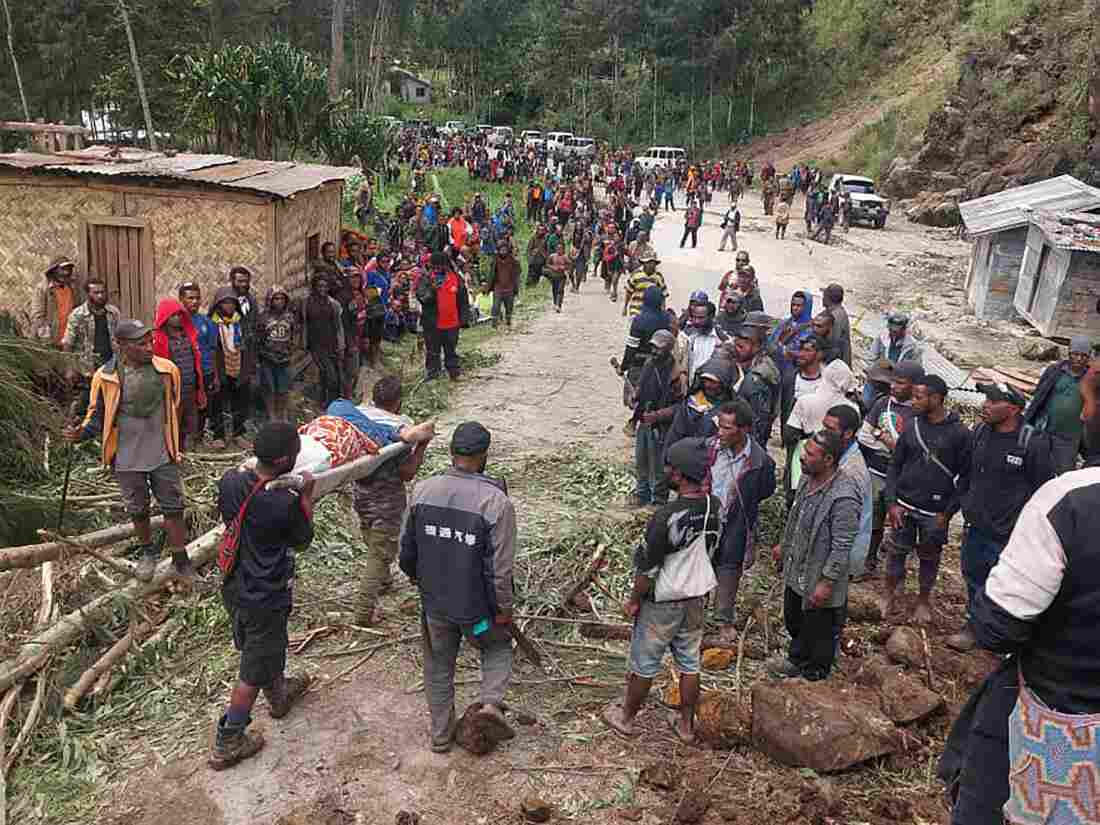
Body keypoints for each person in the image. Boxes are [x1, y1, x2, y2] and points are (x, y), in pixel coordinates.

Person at [938, 462, 1100, 825]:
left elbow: (998, 627)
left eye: (1088, 403)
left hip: (1050, 712)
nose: (1081, 415)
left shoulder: (1070, 499)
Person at [399, 422, 517, 753]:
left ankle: (440, 736)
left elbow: (406, 551)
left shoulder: (422, 490)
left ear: (451, 453)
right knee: (496, 647)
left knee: (438, 664)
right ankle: (491, 705)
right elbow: (499, 569)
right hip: (477, 613)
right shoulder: (496, 502)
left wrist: (419, 581)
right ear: (483, 456)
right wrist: (504, 610)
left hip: (436, 606)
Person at [209, 422, 316, 770]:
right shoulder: (283, 503)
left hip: (235, 587)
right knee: (251, 669)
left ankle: (279, 693)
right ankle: (229, 739)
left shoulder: (230, 481)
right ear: (286, 459)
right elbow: (302, 540)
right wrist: (306, 498)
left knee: (264, 648)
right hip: (265, 595)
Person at [602, 437, 720, 744]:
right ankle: (685, 726)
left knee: (645, 663)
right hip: (696, 599)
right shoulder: (713, 506)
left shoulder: (666, 517)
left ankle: (626, 718)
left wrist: (633, 600)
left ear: (679, 474)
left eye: (669, 467)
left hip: (663, 602)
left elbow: (647, 570)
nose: (665, 471)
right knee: (689, 663)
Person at [65, 319, 191, 582]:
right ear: (121, 345)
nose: (149, 348)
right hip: (126, 454)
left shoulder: (167, 370)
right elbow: (97, 416)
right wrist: (79, 434)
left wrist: (177, 444)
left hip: (161, 449)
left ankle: (181, 559)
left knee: (173, 504)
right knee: (138, 507)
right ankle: (147, 552)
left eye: (150, 342)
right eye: (140, 344)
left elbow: (176, 405)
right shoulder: (106, 376)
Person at [946, 382, 1056, 652]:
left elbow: (1043, 491)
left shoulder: (1032, 443)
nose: (986, 405)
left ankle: (1002, 637)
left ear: (1014, 409)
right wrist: (961, 506)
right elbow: (967, 474)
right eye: (986, 399)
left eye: (994, 401)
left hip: (1010, 534)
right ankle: (974, 626)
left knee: (1007, 586)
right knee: (973, 576)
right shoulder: (981, 432)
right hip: (977, 524)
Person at [769, 430, 860, 680]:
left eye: (809, 454)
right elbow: (795, 519)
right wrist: (783, 544)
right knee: (794, 618)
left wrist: (827, 582)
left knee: (819, 626)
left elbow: (842, 545)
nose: (802, 458)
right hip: (798, 569)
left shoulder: (844, 497)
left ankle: (815, 672)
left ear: (828, 460)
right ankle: (797, 658)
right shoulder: (808, 480)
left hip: (819, 575)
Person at [881, 374, 972, 624]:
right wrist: (892, 503)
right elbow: (895, 466)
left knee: (930, 558)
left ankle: (923, 600)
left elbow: (965, 479)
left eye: (919, 397)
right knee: (896, 553)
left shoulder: (960, 434)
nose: (913, 401)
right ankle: (889, 594)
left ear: (937, 399)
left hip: (935, 512)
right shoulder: (911, 425)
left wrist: (947, 513)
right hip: (904, 506)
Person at [352, 376, 435, 625]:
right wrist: (422, 447)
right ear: (398, 402)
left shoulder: (360, 416)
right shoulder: (403, 427)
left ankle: (384, 581)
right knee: (380, 551)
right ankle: (363, 611)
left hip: (361, 492)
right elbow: (406, 473)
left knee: (371, 535)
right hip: (387, 498)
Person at [706, 400, 777, 641]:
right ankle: (693, 615)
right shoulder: (709, 449)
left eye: (727, 428)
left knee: (729, 568)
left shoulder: (760, 462)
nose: (720, 432)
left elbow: (765, 491)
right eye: (720, 426)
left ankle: (722, 619)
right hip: (705, 520)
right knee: (698, 564)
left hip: (736, 523)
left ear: (744, 429)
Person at [855, 360, 921, 579]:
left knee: (900, 524)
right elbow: (864, 435)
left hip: (904, 478)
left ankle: (896, 571)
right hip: (876, 471)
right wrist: (888, 440)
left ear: (914, 386)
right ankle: (869, 560)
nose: (894, 386)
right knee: (872, 518)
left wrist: (886, 439)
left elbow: (914, 450)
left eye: (900, 383)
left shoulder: (919, 412)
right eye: (893, 382)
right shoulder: (882, 403)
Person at [1023, 336, 1092, 472]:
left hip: (1069, 437)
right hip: (1044, 431)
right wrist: (1029, 420)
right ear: (1069, 353)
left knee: (1063, 473)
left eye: (1083, 356)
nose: (1079, 359)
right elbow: (1039, 396)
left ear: (1089, 357)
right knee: (1035, 467)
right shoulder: (1054, 371)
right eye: (1075, 354)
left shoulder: (1092, 379)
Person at [822, 404, 873, 580]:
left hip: (840, 557)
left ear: (848, 433)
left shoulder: (851, 472)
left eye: (830, 429)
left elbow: (846, 528)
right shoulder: (839, 457)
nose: (823, 433)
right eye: (824, 426)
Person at [631, 330, 680, 507]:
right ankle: (641, 494)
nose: (654, 351)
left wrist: (658, 416)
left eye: (658, 349)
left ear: (668, 349)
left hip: (662, 427)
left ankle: (658, 500)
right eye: (653, 347)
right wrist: (635, 396)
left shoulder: (676, 374)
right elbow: (641, 386)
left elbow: (680, 407)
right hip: (644, 419)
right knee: (641, 460)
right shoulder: (649, 363)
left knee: (658, 465)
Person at [152, 296, 207, 451]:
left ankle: (190, 453)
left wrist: (199, 386)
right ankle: (174, 452)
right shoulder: (159, 340)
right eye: (172, 315)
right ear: (165, 317)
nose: (177, 318)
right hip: (172, 391)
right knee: (172, 422)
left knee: (191, 424)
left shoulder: (188, 336)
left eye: (179, 314)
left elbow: (196, 361)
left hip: (190, 387)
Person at [207, 288, 254, 450]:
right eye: (225, 302)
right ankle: (218, 435)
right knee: (218, 402)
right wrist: (215, 373)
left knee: (240, 402)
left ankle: (238, 433)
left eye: (232, 302)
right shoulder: (212, 323)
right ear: (218, 305)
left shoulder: (240, 322)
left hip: (239, 366)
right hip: (220, 367)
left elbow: (248, 345)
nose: (229, 306)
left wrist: (247, 369)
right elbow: (210, 348)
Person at [728, 315, 781, 448]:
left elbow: (759, 420)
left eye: (741, 346)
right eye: (736, 345)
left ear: (757, 347)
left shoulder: (756, 380)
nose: (736, 349)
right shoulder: (753, 363)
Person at [417, 252, 469, 382]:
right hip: (432, 323)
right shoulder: (426, 279)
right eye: (435, 266)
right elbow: (422, 298)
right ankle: (433, 375)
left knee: (451, 349)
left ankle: (454, 373)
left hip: (452, 323)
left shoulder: (456, 278)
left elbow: (463, 300)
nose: (437, 269)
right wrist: (433, 290)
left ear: (446, 265)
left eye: (440, 266)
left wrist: (464, 319)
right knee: (432, 351)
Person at [61, 278, 119, 391]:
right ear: (88, 294)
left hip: (110, 364)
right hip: (86, 368)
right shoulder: (78, 315)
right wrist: (69, 368)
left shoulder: (113, 312)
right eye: (96, 293)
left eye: (102, 292)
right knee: (88, 401)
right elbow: (68, 343)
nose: (100, 296)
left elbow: (119, 337)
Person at [179, 283, 219, 445]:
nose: (194, 301)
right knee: (185, 406)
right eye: (190, 298)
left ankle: (199, 437)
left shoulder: (207, 322)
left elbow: (213, 349)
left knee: (203, 406)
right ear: (181, 299)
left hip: (206, 371)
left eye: (197, 298)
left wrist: (215, 375)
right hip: (186, 373)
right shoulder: (176, 322)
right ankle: (183, 439)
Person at [301, 273, 345, 410]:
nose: (322, 289)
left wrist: (341, 344)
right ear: (314, 286)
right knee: (330, 375)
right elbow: (302, 322)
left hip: (331, 343)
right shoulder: (306, 302)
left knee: (329, 374)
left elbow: (338, 326)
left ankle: (327, 402)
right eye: (319, 285)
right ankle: (327, 403)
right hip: (315, 343)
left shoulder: (333, 304)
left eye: (325, 286)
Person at [256, 286, 297, 422]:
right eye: (276, 298)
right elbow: (259, 337)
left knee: (283, 389)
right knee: (269, 388)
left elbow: (293, 335)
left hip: (284, 359)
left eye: (282, 298)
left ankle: (282, 414)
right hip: (268, 358)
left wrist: (291, 350)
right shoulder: (263, 317)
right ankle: (272, 415)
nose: (279, 302)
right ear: (270, 300)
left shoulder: (290, 317)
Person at [33, 256, 81, 345]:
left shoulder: (72, 287)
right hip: (51, 338)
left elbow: (77, 310)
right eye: (62, 269)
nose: (66, 272)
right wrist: (46, 339)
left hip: (70, 338)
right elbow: (38, 316)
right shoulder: (43, 289)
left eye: (69, 269)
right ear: (53, 271)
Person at [768, 291, 815, 379]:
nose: (795, 308)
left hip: (793, 372)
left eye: (799, 306)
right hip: (775, 368)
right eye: (793, 305)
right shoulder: (785, 323)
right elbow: (771, 341)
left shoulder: (811, 329)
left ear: (806, 307)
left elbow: (801, 353)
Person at [681, 295, 725, 385]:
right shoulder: (690, 339)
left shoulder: (721, 340)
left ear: (712, 316)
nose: (696, 321)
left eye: (701, 318)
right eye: (694, 317)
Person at [486, 240, 521, 330]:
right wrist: (488, 287)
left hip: (509, 286)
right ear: (498, 250)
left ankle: (508, 321)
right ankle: (494, 324)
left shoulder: (512, 260)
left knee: (509, 306)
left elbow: (517, 273)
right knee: (496, 306)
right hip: (498, 287)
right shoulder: (495, 260)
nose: (503, 251)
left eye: (505, 249)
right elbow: (491, 275)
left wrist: (516, 287)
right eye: (501, 249)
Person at [821, 284, 852, 367]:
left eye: (824, 296)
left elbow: (834, 345)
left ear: (828, 298)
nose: (822, 298)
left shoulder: (831, 316)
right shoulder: (841, 312)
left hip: (834, 365)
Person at [545, 240, 570, 313]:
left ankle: (559, 305)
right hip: (553, 276)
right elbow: (547, 264)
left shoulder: (565, 257)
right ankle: (555, 303)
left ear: (563, 249)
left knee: (560, 290)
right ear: (556, 249)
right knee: (554, 290)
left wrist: (564, 267)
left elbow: (570, 265)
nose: (559, 250)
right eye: (558, 249)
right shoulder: (552, 256)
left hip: (562, 276)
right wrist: (553, 267)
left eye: (561, 249)